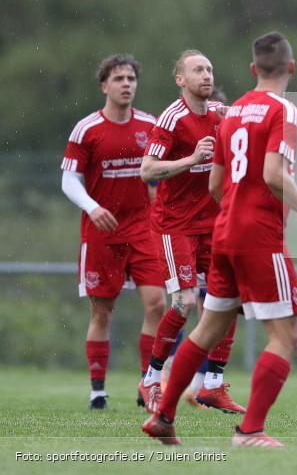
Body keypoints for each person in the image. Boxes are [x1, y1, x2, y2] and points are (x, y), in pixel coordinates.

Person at [142, 32, 297, 447]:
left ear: (253, 70)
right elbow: (271, 175)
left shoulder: (232, 113)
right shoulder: (283, 109)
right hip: (257, 235)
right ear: (292, 68)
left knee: (207, 329)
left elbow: (215, 183)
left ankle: (164, 416)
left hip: (224, 229)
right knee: (286, 337)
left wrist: (234, 208)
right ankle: (250, 431)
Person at [137, 50, 243, 415]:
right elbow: (147, 171)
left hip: (212, 224)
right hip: (175, 224)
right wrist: (191, 159)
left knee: (225, 301)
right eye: (198, 69)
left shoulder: (218, 114)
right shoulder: (172, 119)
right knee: (183, 303)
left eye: (210, 69)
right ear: (180, 79)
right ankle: (152, 377)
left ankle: (212, 384)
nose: (206, 75)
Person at [60, 54, 165, 409]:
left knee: (158, 304)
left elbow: (163, 169)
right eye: (118, 78)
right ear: (104, 85)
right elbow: (69, 179)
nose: (126, 84)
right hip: (102, 232)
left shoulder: (150, 126)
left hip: (143, 229)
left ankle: (146, 385)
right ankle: (98, 392)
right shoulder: (87, 129)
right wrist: (92, 206)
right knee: (102, 312)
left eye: (131, 78)